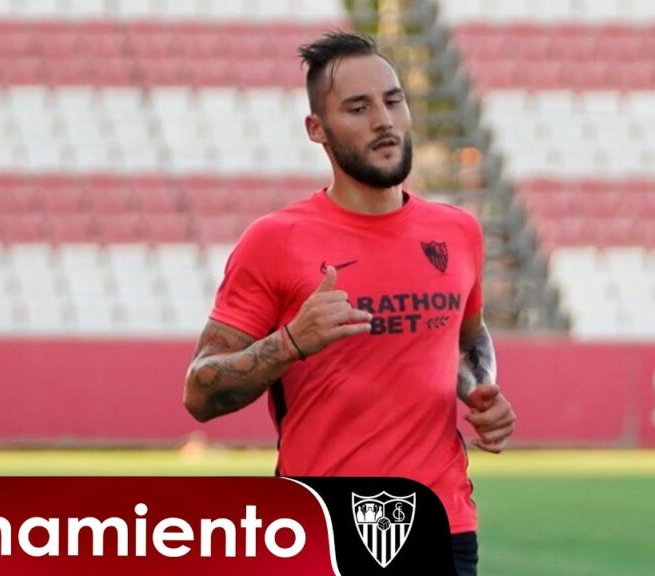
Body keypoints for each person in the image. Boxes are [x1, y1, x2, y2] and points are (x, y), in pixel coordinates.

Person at [183, 31, 515, 576]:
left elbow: (468, 335)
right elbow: (200, 391)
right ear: (317, 129)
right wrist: (291, 342)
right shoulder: (276, 240)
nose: (383, 120)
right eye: (357, 108)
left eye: (393, 100)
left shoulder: (458, 231)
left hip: (443, 522)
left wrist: (479, 388)